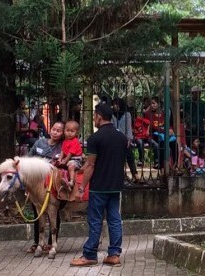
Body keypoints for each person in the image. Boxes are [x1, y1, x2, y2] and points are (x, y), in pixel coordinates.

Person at [70, 103, 128, 267]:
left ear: (99, 116)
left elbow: (90, 165)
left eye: (95, 115)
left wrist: (82, 187)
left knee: (95, 220)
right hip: (116, 185)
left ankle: (89, 254)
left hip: (99, 186)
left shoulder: (95, 138)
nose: (94, 118)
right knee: (114, 219)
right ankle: (114, 254)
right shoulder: (122, 138)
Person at [26, 121, 65, 254]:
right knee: (38, 213)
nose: (55, 132)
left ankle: (51, 243)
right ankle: (37, 242)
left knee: (53, 212)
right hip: (36, 185)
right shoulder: (39, 143)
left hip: (52, 184)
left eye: (59, 130)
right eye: (54, 129)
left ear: (62, 133)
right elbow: (28, 158)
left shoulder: (62, 146)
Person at [112, 97, 139, 182]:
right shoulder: (111, 115)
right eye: (113, 104)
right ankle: (121, 174)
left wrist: (129, 139)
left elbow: (129, 129)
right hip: (114, 139)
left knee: (129, 154)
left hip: (125, 139)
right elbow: (111, 128)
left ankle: (134, 174)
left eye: (116, 104)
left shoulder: (127, 114)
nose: (115, 106)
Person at [58, 120, 83, 190]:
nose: (69, 133)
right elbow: (62, 151)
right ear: (64, 131)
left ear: (76, 133)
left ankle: (71, 181)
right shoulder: (65, 141)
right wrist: (59, 159)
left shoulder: (75, 141)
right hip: (68, 159)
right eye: (67, 130)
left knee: (71, 165)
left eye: (72, 131)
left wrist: (64, 161)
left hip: (76, 159)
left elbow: (70, 154)